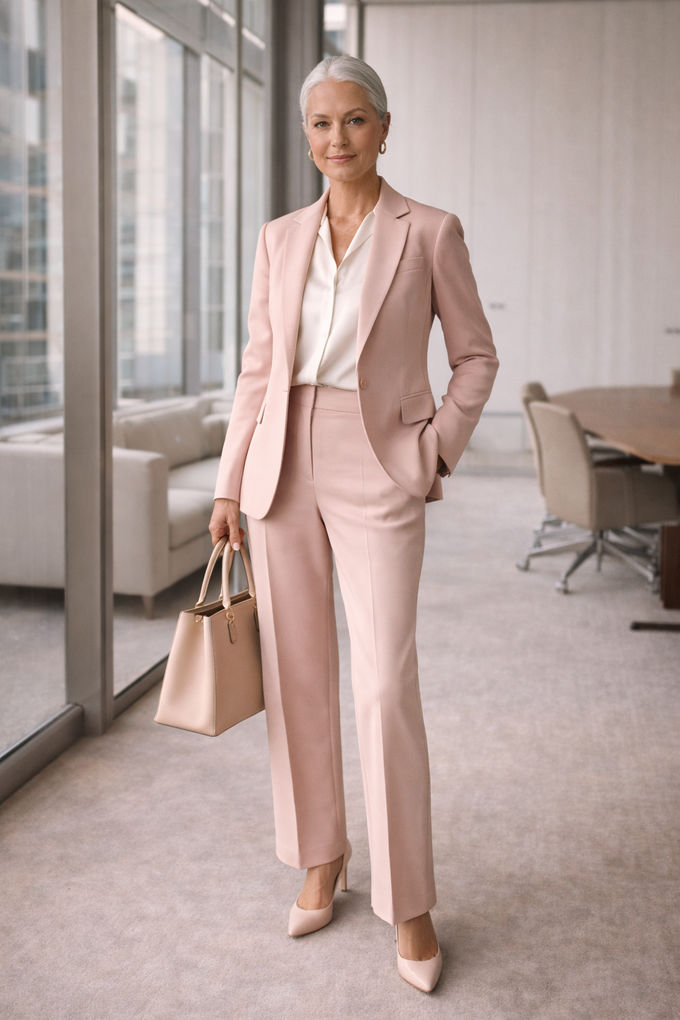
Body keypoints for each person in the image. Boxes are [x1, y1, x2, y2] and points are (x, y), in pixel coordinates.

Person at [209, 54, 498, 993]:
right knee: (299, 677)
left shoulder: (431, 231)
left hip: (378, 459)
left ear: (385, 127)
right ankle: (320, 855)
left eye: (356, 121)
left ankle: (410, 901)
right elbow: (259, 369)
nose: (339, 140)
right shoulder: (279, 238)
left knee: (383, 684)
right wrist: (227, 484)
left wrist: (434, 449)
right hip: (279, 460)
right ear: (306, 138)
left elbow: (476, 356)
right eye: (322, 125)